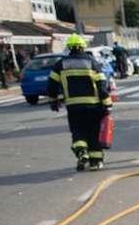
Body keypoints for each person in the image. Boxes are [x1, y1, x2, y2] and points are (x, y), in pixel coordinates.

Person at [47, 34, 113, 171]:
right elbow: (102, 86)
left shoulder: (60, 64)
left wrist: (53, 101)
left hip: (73, 106)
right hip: (93, 105)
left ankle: (82, 152)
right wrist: (107, 103)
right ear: (83, 46)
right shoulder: (92, 63)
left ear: (69, 47)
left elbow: (51, 85)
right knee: (94, 133)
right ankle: (95, 162)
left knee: (78, 131)